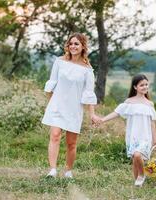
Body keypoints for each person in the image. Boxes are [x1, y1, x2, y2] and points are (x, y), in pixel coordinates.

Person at [42, 33, 100, 178]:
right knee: (55, 136)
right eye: (71, 44)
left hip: (74, 109)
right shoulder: (59, 62)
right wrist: (50, 104)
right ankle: (52, 170)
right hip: (57, 106)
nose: (73, 46)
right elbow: (51, 84)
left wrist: (92, 114)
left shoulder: (87, 69)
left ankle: (68, 171)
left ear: (82, 47)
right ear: (67, 46)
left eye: (76, 44)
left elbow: (88, 93)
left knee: (71, 143)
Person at [96, 74, 156, 187]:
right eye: (142, 85)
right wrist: (102, 120)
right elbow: (116, 113)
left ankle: (141, 175)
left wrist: (155, 139)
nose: (145, 87)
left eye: (146, 84)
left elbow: (152, 123)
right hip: (133, 136)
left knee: (137, 155)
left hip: (145, 137)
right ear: (135, 87)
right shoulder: (129, 102)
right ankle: (137, 185)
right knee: (135, 161)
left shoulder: (150, 104)